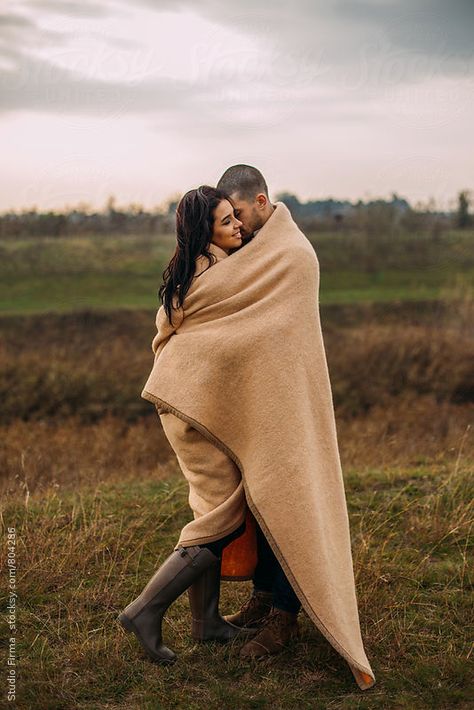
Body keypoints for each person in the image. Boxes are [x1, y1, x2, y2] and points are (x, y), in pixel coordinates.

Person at [118, 186, 254, 663]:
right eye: (225, 221)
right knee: (223, 517)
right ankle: (145, 610)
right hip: (193, 409)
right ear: (206, 233)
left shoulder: (193, 268)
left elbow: (170, 329)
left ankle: (207, 622)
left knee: (208, 509)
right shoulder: (217, 273)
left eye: (236, 217)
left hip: (184, 402)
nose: (237, 226)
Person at [216, 165, 302, 657]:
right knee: (260, 499)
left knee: (289, 504)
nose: (239, 225)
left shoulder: (292, 256)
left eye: (242, 213)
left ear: (263, 202)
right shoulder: (254, 255)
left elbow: (282, 334)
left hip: (289, 403)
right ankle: (263, 597)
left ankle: (285, 618)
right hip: (258, 402)